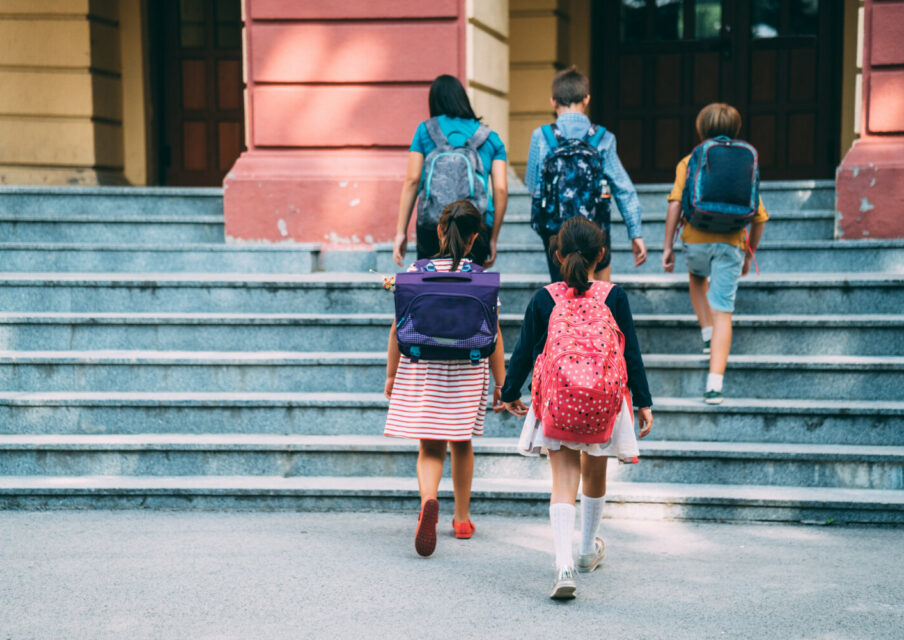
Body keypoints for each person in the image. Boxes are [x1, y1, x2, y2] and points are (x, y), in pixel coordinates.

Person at [498, 217, 653, 599]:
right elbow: (630, 352)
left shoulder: (544, 297)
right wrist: (645, 402)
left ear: (557, 253)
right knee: (594, 472)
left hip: (557, 399)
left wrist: (508, 392)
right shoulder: (614, 296)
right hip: (604, 400)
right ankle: (587, 551)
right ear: (602, 254)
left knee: (563, 480)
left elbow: (523, 350)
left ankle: (563, 565)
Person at [384, 201, 506, 557]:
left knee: (430, 446)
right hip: (467, 368)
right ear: (473, 239)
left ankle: (428, 500)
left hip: (423, 366)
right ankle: (463, 518)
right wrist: (502, 383)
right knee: (461, 442)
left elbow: (396, 328)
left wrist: (392, 374)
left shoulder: (415, 271)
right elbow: (495, 334)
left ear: (438, 231)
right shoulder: (481, 279)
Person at [661, 103, 769, 405]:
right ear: (736, 130)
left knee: (697, 276)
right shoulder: (745, 162)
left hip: (695, 238)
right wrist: (750, 254)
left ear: (700, 130)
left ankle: (707, 334)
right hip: (732, 242)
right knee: (724, 310)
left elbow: (675, 204)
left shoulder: (689, 160)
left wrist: (667, 246)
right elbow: (759, 216)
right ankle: (714, 386)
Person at [525, 66, 646, 282]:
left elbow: (532, 184)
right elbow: (624, 189)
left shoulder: (541, 136)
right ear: (587, 99)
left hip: (556, 233)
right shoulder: (603, 138)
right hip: (595, 231)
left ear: (553, 101)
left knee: (561, 293)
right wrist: (635, 232)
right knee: (600, 293)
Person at [393, 74, 508, 269]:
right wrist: (493, 238)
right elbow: (501, 189)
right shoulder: (490, 137)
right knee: (470, 288)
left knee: (430, 285)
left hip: (432, 224)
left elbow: (412, 180)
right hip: (474, 224)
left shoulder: (425, 131)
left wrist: (400, 232)